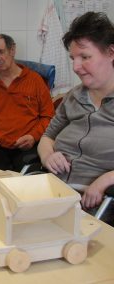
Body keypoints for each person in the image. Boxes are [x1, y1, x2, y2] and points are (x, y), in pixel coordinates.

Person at [38, 11, 114, 211]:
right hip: (53, 191)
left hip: (98, 202)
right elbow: (47, 137)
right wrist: (48, 156)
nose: (76, 67)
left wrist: (105, 180)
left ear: (111, 53)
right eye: (73, 58)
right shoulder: (74, 96)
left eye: (85, 57)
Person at [0, 34, 55, 172]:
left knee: (30, 183)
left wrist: (33, 136)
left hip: (28, 147)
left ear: (12, 50)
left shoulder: (34, 81)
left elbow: (49, 117)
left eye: (1, 52)